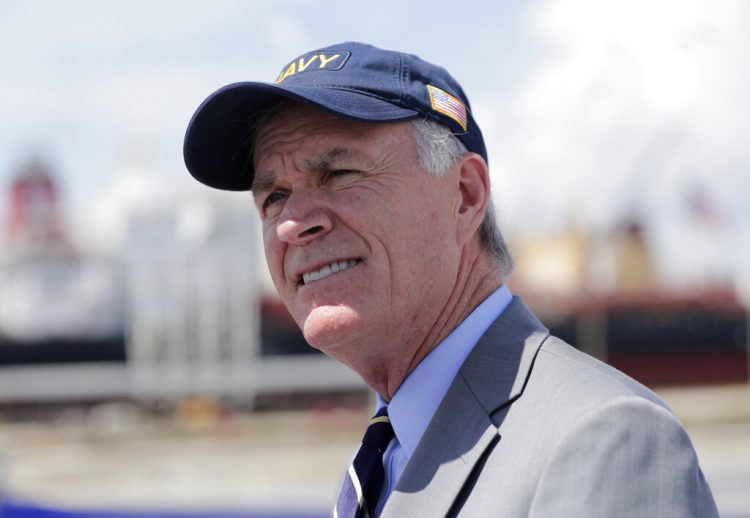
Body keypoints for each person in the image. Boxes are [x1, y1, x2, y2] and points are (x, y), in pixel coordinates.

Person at [183, 42, 718, 517]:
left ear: (464, 195)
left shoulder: (604, 440)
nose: (295, 222)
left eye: (338, 174)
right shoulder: (391, 452)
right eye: (273, 196)